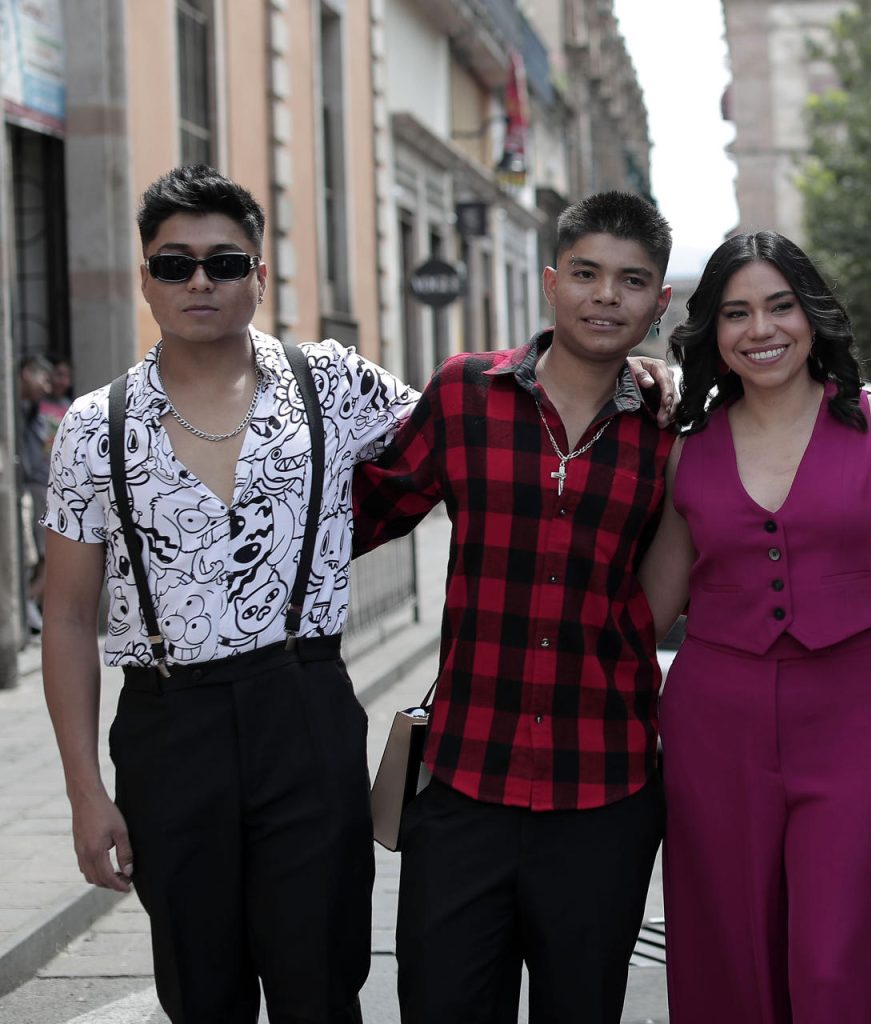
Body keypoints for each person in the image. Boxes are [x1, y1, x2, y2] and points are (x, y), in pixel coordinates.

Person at [41, 165, 419, 1023]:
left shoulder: (331, 383)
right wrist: (84, 791)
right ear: (145, 281)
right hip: (169, 727)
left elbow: (469, 429)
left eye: (223, 261)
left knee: (319, 980)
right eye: (174, 266)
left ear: (259, 272)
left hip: (305, 704)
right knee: (200, 986)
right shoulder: (94, 426)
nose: (199, 281)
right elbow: (65, 616)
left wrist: (629, 378)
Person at [352, 191, 679, 1024]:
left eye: (632, 280)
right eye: (586, 274)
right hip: (465, 783)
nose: (607, 295)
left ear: (659, 302)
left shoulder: (672, 433)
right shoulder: (465, 394)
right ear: (550, 282)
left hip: (604, 788)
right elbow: (358, 515)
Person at [639, 231, 871, 1023]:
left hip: (846, 716)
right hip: (711, 719)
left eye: (780, 306)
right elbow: (651, 607)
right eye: (736, 314)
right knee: (725, 948)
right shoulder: (684, 450)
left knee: (830, 957)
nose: (761, 330)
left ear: (814, 316)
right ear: (714, 335)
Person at [19, 354, 68, 632]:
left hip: (49, 485)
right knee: (38, 555)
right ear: (27, 374)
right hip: (35, 486)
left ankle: (28, 605)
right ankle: (26, 606)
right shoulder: (26, 407)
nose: (50, 386)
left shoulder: (59, 406)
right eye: (46, 378)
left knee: (46, 556)